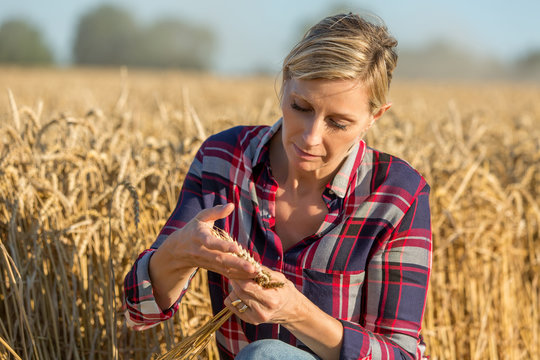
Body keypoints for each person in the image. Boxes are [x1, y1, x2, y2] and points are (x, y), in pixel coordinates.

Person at [124, 12, 432, 360]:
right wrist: (177, 253)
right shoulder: (224, 160)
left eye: (338, 122)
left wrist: (296, 312)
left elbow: (401, 355)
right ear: (285, 81)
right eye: (301, 107)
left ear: (375, 116)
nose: (311, 137)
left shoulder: (398, 195)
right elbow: (139, 312)